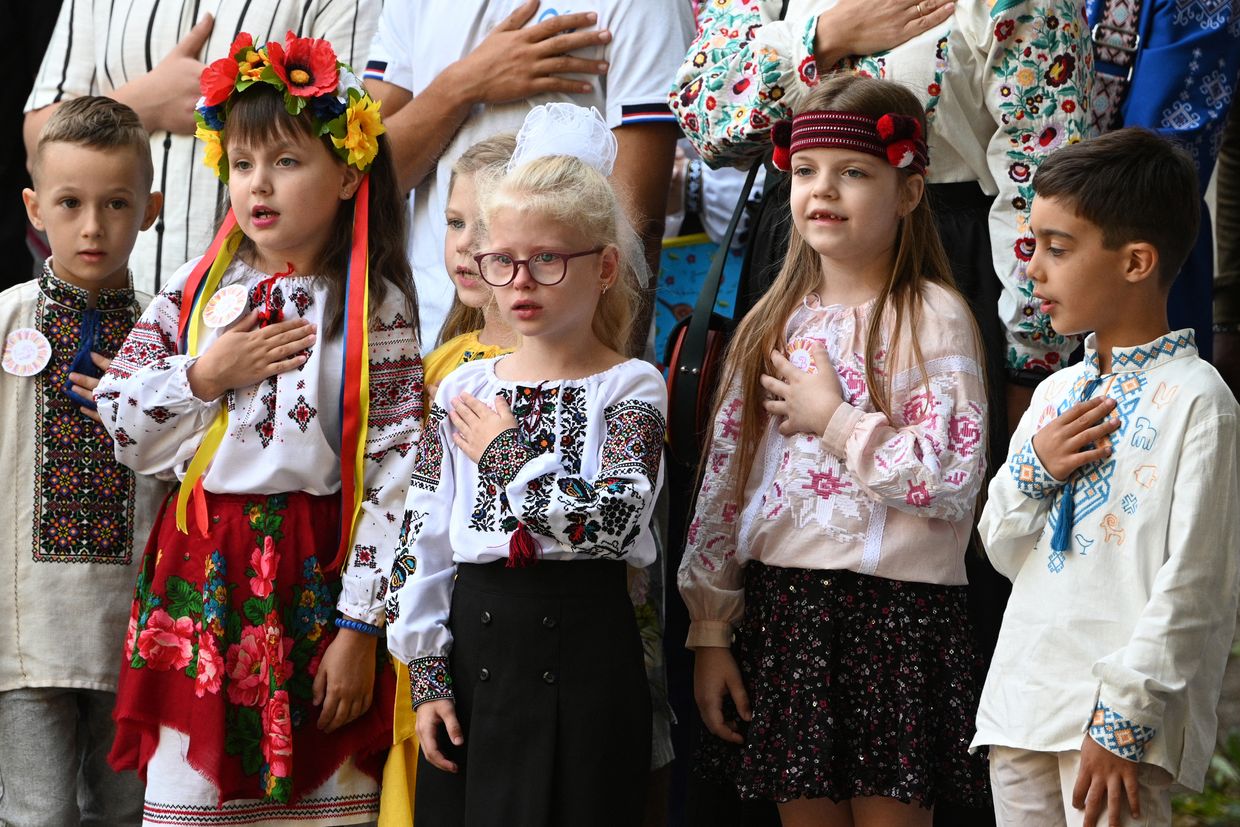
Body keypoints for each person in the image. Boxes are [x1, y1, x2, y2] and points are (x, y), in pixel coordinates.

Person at [94, 33, 422, 825]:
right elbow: (120, 420)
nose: (257, 184)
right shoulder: (198, 289)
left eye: (284, 161)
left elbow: (402, 476)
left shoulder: (375, 307)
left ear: (347, 175)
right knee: (196, 798)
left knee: (323, 795)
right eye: (242, 164)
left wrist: (359, 626)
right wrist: (206, 374)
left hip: (318, 570)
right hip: (205, 567)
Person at [679, 75, 991, 827]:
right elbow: (724, 484)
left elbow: (951, 478)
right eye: (808, 170)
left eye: (854, 172)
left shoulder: (934, 317)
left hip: (900, 616)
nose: (826, 189)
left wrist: (834, 418)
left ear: (909, 191)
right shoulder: (771, 323)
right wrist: (712, 628)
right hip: (792, 616)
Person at [385, 104, 668, 826]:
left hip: (589, 643)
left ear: (604, 266)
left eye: (547, 259)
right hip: (482, 644)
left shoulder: (631, 385)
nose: (520, 281)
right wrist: (426, 675)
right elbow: (421, 534)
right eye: (501, 259)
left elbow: (612, 518)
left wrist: (510, 456)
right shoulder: (462, 389)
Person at [973, 128, 1240, 827]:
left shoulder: (1199, 400)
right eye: (1033, 246)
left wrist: (1126, 718)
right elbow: (999, 546)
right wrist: (1035, 468)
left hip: (1118, 725)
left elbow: (1198, 584)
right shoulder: (1056, 395)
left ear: (1137, 261)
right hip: (1022, 702)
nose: (1034, 270)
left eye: (1058, 248)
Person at [0, 95, 167, 827]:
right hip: (24, 625)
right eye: (70, 203)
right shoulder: (6, 321)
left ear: (151, 207)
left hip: (137, 628)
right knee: (36, 813)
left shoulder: (173, 331)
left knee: (128, 812)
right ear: (36, 208)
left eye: (116, 203)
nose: (93, 226)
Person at [362, 0, 692, 351]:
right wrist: (463, 84)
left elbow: (635, 226)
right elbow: (365, 174)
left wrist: (612, 375)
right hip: (423, 341)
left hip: (564, 353)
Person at [24, 0, 379, 293]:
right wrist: (146, 103)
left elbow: (358, 139)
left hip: (257, 296)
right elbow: (37, 144)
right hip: (110, 294)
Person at [378, 132, 518, 827]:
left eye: (486, 226)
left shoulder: (575, 368)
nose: (465, 244)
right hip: (433, 627)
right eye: (455, 221)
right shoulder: (444, 361)